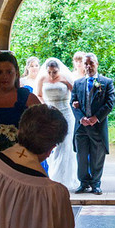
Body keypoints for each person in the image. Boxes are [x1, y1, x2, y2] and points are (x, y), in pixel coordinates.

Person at [70, 52, 115, 194]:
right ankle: (83, 183)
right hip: (81, 127)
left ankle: (96, 184)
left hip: (97, 126)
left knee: (97, 156)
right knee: (81, 156)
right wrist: (80, 118)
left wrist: (96, 117)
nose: (88, 66)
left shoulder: (106, 82)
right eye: (86, 64)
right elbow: (73, 102)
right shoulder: (78, 83)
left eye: (91, 63)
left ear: (96, 64)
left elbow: (110, 102)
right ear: (83, 66)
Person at [35, 57, 78, 189]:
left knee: (65, 146)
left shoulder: (65, 78)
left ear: (59, 70)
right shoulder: (42, 79)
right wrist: (45, 106)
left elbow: (75, 93)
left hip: (66, 113)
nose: (52, 75)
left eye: (54, 72)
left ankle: (64, 179)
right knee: (52, 145)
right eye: (49, 72)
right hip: (50, 114)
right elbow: (38, 95)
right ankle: (53, 176)